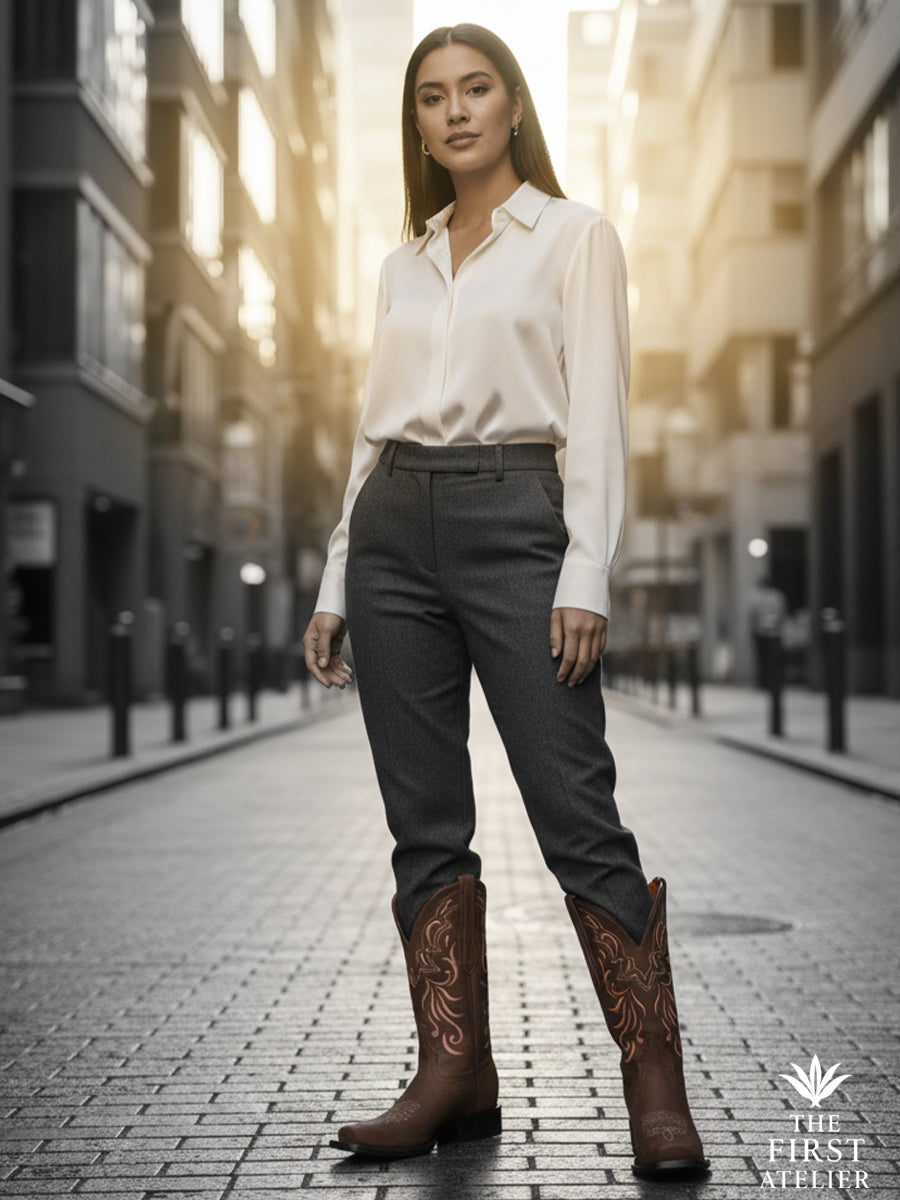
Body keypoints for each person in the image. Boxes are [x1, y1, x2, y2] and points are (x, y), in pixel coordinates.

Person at [302, 23, 709, 1181]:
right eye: (434, 97)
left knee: (575, 807)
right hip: (391, 538)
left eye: (478, 89)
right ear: (419, 125)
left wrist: (586, 572)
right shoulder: (401, 262)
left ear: (515, 105)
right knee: (423, 823)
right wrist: (337, 577)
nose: (457, 111)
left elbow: (600, 420)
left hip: (519, 522)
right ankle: (454, 1075)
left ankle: (655, 1083)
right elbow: (367, 437)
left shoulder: (576, 239)